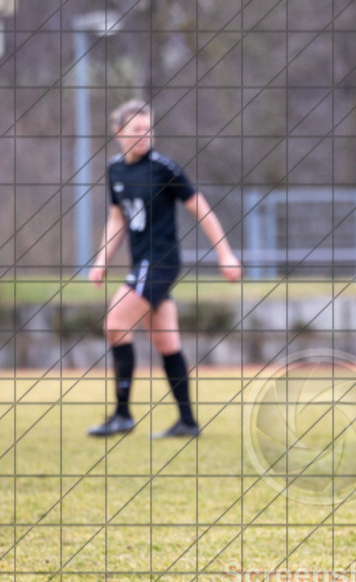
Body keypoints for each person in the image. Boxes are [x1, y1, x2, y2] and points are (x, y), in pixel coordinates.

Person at [87, 99, 242, 439]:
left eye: (148, 129)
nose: (144, 136)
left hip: (159, 262)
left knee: (115, 323)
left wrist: (225, 254)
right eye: (136, 130)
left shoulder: (163, 168)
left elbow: (200, 209)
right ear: (118, 133)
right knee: (166, 341)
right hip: (141, 263)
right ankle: (187, 421)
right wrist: (101, 261)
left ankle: (122, 415)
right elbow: (117, 219)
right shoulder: (115, 169)